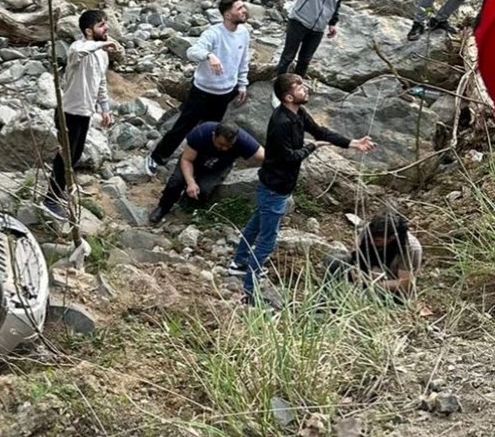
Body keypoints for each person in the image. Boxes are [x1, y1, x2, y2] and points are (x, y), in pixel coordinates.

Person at [229, 73, 377, 304]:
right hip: (274, 187)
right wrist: (311, 147)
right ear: (288, 97)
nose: (304, 88)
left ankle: (239, 262)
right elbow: (288, 157)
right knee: (267, 240)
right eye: (299, 86)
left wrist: (352, 143)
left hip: (279, 186)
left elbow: (320, 132)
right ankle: (249, 291)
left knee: (258, 222)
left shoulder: (298, 114)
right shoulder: (280, 123)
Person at [144, 0, 251, 177]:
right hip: (202, 91)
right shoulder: (213, 33)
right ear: (227, 14)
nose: (244, 11)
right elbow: (192, 51)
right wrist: (209, 56)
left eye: (243, 7)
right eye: (239, 8)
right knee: (182, 126)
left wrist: (242, 84)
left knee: (213, 130)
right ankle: (156, 157)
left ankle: (199, 162)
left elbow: (243, 61)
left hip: (225, 93)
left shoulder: (243, 33)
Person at [42, 9, 115, 221]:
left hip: (84, 113)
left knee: (74, 156)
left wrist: (105, 108)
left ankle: (59, 190)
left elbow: (100, 83)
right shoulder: (77, 48)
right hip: (67, 112)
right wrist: (102, 44)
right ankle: (50, 199)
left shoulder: (101, 55)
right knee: (64, 157)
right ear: (88, 31)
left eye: (105, 24)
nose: (106, 28)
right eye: (101, 25)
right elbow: (80, 52)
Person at [147, 121, 265, 225]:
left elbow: (263, 155)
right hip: (194, 160)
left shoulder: (243, 140)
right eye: (221, 145)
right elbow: (187, 160)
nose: (224, 149)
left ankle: (187, 207)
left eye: (229, 146)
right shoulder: (201, 132)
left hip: (219, 166)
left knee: (203, 189)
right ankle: (163, 207)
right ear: (214, 135)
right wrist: (190, 182)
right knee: (176, 181)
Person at [324, 212, 422, 299]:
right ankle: (327, 298)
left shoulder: (410, 248)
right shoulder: (369, 230)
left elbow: (404, 284)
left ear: (391, 238)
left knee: (365, 295)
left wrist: (371, 283)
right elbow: (357, 253)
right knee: (333, 261)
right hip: (368, 270)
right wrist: (357, 271)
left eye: (377, 241)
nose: (371, 242)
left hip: (388, 284)